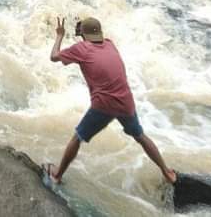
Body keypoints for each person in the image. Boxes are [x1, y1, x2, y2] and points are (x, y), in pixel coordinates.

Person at [45, 17, 177, 186]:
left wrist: (60, 35)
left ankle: (57, 175)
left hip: (104, 104)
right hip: (125, 101)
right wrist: (84, 32)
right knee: (140, 136)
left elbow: (54, 56)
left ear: (82, 34)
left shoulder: (82, 48)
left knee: (77, 137)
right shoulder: (110, 44)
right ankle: (166, 172)